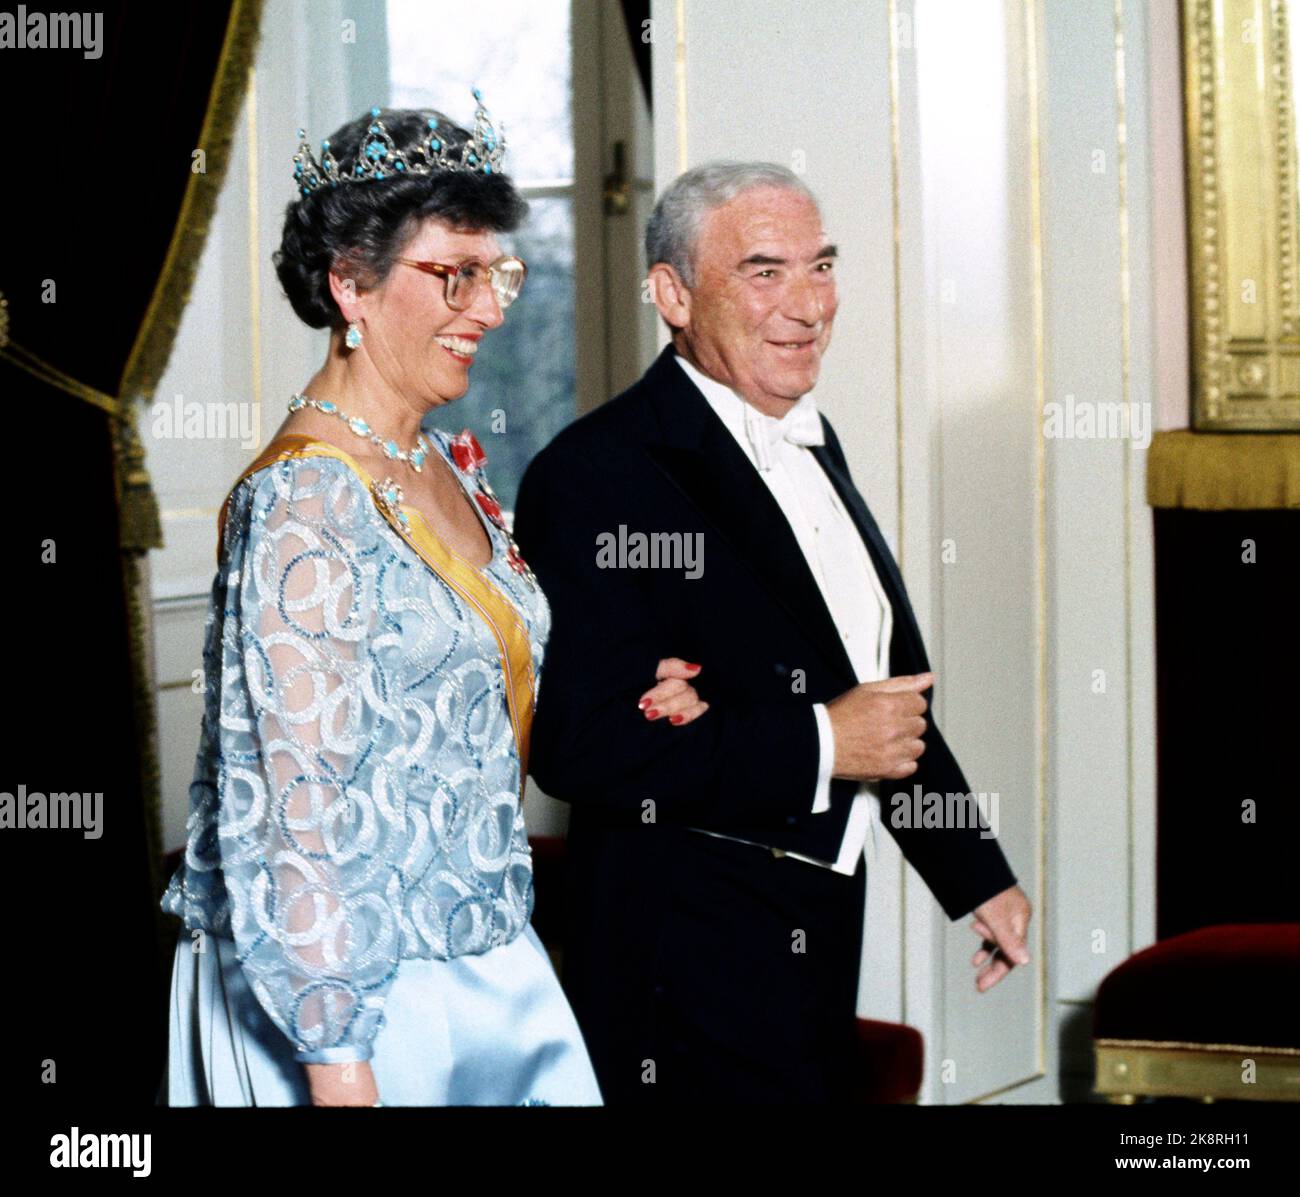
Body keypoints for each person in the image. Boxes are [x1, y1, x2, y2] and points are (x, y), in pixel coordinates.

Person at [158, 92, 705, 1107]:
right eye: (454, 275)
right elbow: (294, 815)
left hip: (487, 964)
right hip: (356, 1000)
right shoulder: (307, 498)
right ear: (350, 285)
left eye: (496, 273)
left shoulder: (433, 458)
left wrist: (628, 684)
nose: (492, 310)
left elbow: (449, 684)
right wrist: (338, 1064)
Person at [512, 161, 1034, 1104]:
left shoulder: (809, 438)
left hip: (818, 924)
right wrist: (824, 739)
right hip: (677, 950)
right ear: (672, 293)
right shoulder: (595, 472)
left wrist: (975, 875)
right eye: (764, 272)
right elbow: (579, 745)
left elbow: (887, 700)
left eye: (821, 266)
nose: (808, 305)